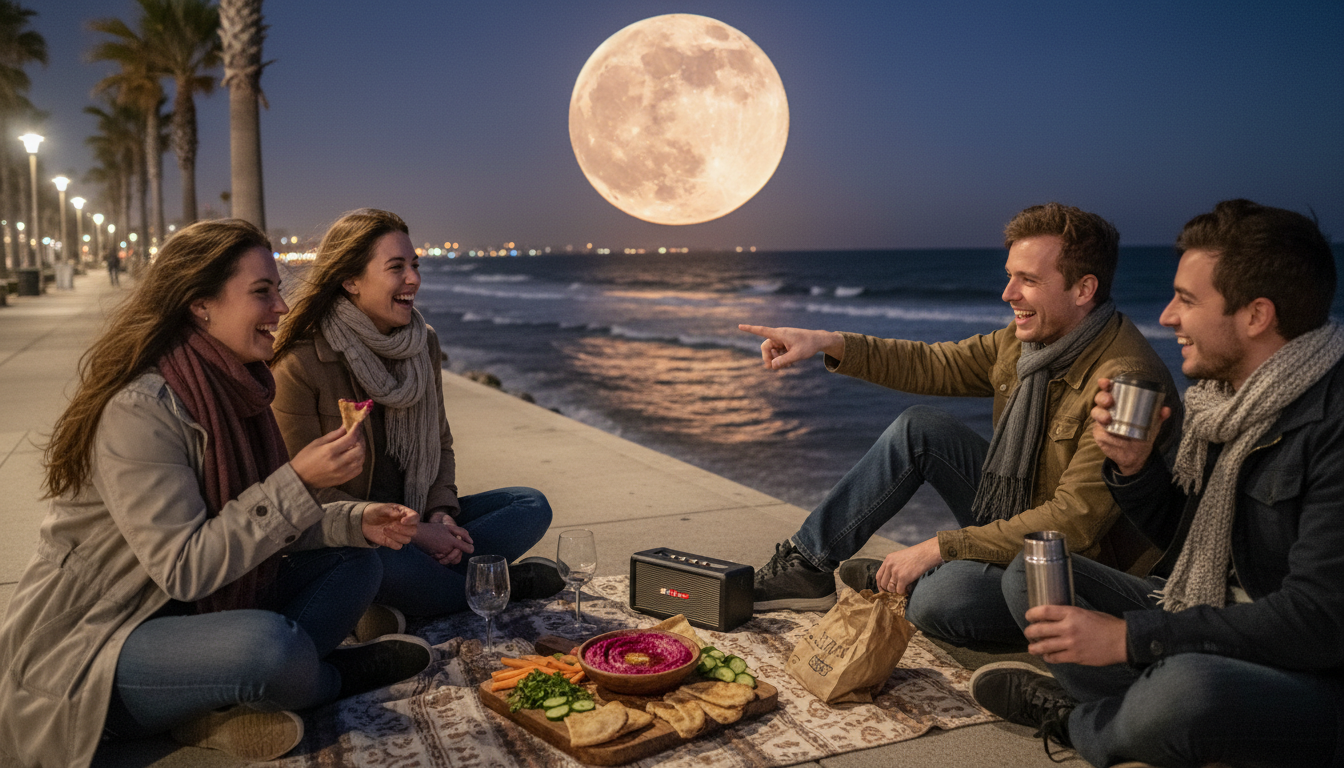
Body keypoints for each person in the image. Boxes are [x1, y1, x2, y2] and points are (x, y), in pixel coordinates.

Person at [0, 220, 433, 768]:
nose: (281, 306)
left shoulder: (236, 388)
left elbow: (259, 523)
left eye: (277, 290)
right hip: (98, 644)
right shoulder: (141, 409)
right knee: (270, 648)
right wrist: (299, 481)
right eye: (262, 292)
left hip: (181, 615)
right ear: (200, 305)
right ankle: (327, 678)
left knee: (356, 561)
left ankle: (227, 706)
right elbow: (186, 568)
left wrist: (357, 519)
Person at [972, 199, 1344, 768]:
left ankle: (1083, 721)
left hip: (1308, 670)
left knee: (1188, 690)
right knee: (1034, 572)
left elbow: (1318, 622)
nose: (1167, 316)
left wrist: (1130, 638)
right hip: (1208, 610)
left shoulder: (1331, 424)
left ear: (1256, 316)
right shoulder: (1226, 404)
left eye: (1187, 300)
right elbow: (1186, 540)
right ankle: (1145, 718)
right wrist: (1134, 468)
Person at [741, 203, 1181, 652]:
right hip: (1021, 516)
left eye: (1028, 280)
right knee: (919, 428)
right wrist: (829, 342)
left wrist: (938, 548)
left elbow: (1075, 523)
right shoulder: (1028, 343)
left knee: (943, 599)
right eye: (1010, 275)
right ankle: (807, 566)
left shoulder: (1126, 384)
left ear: (1084, 288)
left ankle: (922, 579)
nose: (1008, 293)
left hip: (1082, 568)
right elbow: (934, 363)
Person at [270, 208, 560, 625]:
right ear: (350, 280)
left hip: (420, 512)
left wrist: (441, 515)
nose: (413, 279)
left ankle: (409, 600)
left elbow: (439, 443)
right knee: (375, 564)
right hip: (356, 535)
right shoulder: (301, 363)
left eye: (415, 265)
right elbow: (303, 495)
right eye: (396, 267)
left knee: (530, 505)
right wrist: (417, 535)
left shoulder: (422, 344)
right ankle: (502, 586)